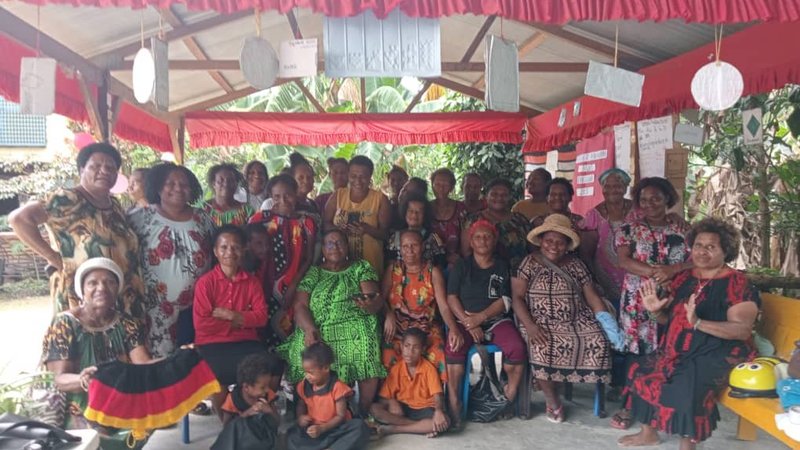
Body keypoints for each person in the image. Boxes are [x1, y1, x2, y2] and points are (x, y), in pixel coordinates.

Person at [617, 218, 760, 449]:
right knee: (640, 369)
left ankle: (687, 446)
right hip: (680, 348)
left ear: (726, 250)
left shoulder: (737, 283)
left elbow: (741, 330)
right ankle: (648, 433)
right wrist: (655, 311)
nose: (702, 251)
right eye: (698, 245)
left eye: (711, 247)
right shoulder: (686, 278)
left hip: (718, 351)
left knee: (686, 382)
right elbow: (669, 319)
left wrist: (698, 322)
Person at [9, 143, 144, 321]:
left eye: (110, 167)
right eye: (95, 166)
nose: (104, 171)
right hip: (82, 296)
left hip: (122, 294)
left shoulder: (116, 206)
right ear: (82, 170)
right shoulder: (65, 199)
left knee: (123, 347)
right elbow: (19, 219)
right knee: (87, 343)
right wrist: (53, 257)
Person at [511, 214, 622, 423]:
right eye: (549, 241)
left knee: (597, 339)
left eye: (560, 242)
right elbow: (517, 298)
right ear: (541, 241)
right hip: (537, 319)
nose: (554, 246)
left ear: (567, 245)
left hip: (576, 318)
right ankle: (553, 400)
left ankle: (561, 382)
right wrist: (530, 326)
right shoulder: (529, 263)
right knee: (542, 345)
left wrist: (607, 323)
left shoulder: (577, 264)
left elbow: (591, 296)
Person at [41, 257, 151, 449]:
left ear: (117, 289)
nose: (102, 288)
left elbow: (143, 364)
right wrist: (84, 380)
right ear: (82, 290)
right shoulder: (65, 324)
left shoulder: (127, 323)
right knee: (97, 440)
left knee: (145, 428)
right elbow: (57, 379)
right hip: (81, 407)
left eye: (109, 282)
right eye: (93, 283)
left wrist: (179, 359)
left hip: (120, 401)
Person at [278, 229, 386, 416]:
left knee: (365, 343)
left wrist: (369, 303)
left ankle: (364, 410)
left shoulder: (360, 267)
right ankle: (306, 408)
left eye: (339, 243)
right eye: (329, 243)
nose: (335, 247)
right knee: (300, 346)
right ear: (323, 249)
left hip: (354, 323)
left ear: (347, 247)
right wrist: (310, 329)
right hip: (317, 326)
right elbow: (300, 305)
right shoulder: (315, 273)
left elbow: (372, 297)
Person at [129, 163, 215, 358]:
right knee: (159, 366)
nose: (178, 188)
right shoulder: (140, 218)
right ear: (158, 187)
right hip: (154, 311)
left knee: (191, 365)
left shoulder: (203, 219)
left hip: (195, 309)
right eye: (170, 183)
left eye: (184, 184)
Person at [446, 219, 526, 428]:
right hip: (464, 320)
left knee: (517, 348)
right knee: (454, 348)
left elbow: (505, 300)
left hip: (495, 320)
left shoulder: (501, 265)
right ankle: (454, 402)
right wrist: (468, 322)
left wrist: (480, 319)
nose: (483, 240)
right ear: (471, 242)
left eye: (487, 236)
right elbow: (452, 297)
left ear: (495, 240)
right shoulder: (462, 265)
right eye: (478, 237)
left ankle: (508, 397)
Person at [193, 225, 268, 416]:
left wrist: (232, 315)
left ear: (243, 250)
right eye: (224, 247)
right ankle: (227, 423)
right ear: (215, 251)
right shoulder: (205, 283)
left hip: (246, 342)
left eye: (235, 247)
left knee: (269, 366)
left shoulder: (252, 282)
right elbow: (202, 324)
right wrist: (241, 321)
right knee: (213, 373)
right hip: (211, 344)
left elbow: (261, 318)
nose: (229, 252)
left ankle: (256, 419)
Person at [616, 177, 691, 356]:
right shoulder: (629, 229)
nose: (649, 203)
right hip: (638, 297)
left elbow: (699, 260)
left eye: (656, 198)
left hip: (674, 294)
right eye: (644, 199)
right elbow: (624, 261)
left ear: (667, 198)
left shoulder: (683, 229)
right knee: (637, 348)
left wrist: (674, 269)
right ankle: (635, 382)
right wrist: (658, 274)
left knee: (672, 341)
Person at [249, 174, 317, 350]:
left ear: (296, 193)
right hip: (260, 283)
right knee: (261, 328)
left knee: (287, 327)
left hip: (292, 284)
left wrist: (294, 285)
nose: (283, 200)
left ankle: (287, 373)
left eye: (287, 195)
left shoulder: (306, 222)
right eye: (276, 196)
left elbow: (309, 258)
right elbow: (248, 253)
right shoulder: (259, 219)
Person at [382, 230, 460, 382]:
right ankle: (393, 398)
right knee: (387, 353)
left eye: (414, 245)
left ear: (423, 247)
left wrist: (453, 328)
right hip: (397, 329)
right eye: (405, 246)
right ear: (400, 249)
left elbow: (443, 306)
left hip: (426, 329)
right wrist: (388, 315)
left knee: (437, 352)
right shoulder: (393, 270)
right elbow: (381, 299)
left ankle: (431, 398)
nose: (409, 250)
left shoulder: (433, 272)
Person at [287, 342, 370, 450]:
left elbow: (340, 416)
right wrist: (301, 417)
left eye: (311, 372)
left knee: (360, 427)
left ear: (325, 368)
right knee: (292, 435)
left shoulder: (337, 387)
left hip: (336, 429)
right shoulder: (304, 385)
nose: (307, 376)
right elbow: (301, 404)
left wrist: (323, 428)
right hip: (314, 430)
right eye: (305, 372)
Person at [370, 328, 449, 438]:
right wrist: (392, 401)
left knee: (444, 421)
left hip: (424, 409)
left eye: (415, 348)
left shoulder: (428, 369)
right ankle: (419, 427)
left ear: (422, 350)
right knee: (374, 408)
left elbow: (437, 395)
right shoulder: (396, 369)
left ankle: (395, 429)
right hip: (404, 408)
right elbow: (383, 398)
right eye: (407, 346)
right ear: (401, 347)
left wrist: (439, 411)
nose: (410, 352)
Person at [324, 156, 391, 275]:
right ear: (348, 175)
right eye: (353, 176)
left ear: (370, 176)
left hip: (370, 264)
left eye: (363, 176)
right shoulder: (338, 196)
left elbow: (386, 235)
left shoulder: (380, 199)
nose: (358, 181)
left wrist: (367, 229)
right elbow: (324, 224)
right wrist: (339, 231)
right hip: (341, 266)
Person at [579, 168, 634, 304]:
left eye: (617, 186)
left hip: (636, 274)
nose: (612, 190)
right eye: (607, 186)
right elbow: (586, 252)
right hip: (605, 278)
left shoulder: (637, 210)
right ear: (602, 188)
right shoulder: (594, 215)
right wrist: (593, 280)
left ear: (625, 188)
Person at [461, 178, 531, 270]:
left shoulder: (520, 220)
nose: (499, 198)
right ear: (486, 196)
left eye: (504, 195)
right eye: (494, 194)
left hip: (518, 275)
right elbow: (466, 252)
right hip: (483, 276)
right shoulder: (472, 220)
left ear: (510, 197)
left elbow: (531, 249)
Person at [220, 352, 285, 425]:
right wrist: (246, 414)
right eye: (262, 387)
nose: (267, 390)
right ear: (246, 387)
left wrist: (269, 411)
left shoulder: (268, 395)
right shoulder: (233, 400)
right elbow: (227, 427)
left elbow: (277, 422)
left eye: (268, 385)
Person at [384, 193, 446, 269]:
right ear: (405, 212)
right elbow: (389, 262)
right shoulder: (395, 237)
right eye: (410, 211)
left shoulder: (433, 238)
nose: (414, 215)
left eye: (419, 212)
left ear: (425, 214)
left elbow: (440, 264)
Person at [430, 168, 467, 270]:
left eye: (445, 185)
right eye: (437, 184)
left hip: (455, 260)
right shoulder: (426, 208)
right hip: (431, 258)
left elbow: (465, 236)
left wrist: (461, 258)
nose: (441, 188)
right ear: (432, 185)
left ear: (451, 187)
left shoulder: (460, 208)